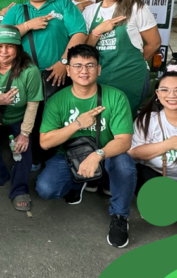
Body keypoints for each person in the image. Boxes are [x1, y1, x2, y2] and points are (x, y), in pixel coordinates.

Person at [36, 44, 136, 249]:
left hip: (107, 153)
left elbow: (124, 141)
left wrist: (97, 154)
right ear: (69, 70)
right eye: (78, 65)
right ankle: (78, 182)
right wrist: (78, 124)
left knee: (125, 166)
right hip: (69, 154)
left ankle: (120, 216)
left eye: (90, 65)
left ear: (99, 69)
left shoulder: (115, 97)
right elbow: (45, 142)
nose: (84, 71)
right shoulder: (57, 100)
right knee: (45, 189)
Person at [2, 0, 87, 168]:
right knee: (23, 117)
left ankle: (50, 159)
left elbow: (79, 33)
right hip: (22, 75)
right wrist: (27, 25)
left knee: (52, 116)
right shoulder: (18, 10)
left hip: (55, 74)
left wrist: (64, 61)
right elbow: (2, 37)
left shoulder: (64, 6)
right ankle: (25, 157)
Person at [0, 26, 43, 211]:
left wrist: (25, 133)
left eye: (10, 47)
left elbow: (33, 103)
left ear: (18, 48)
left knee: (23, 149)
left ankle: (20, 189)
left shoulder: (30, 71)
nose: (4, 51)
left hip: (19, 117)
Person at [83, 0, 161, 116]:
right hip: (98, 77)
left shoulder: (136, 8)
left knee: (123, 126)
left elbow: (154, 43)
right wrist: (97, 31)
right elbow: (86, 49)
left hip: (130, 78)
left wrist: (135, 61)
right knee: (99, 124)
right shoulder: (90, 11)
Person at [130, 72, 177, 194]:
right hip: (157, 179)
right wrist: (169, 144)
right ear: (158, 93)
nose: (172, 95)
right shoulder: (148, 121)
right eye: (165, 90)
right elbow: (133, 152)